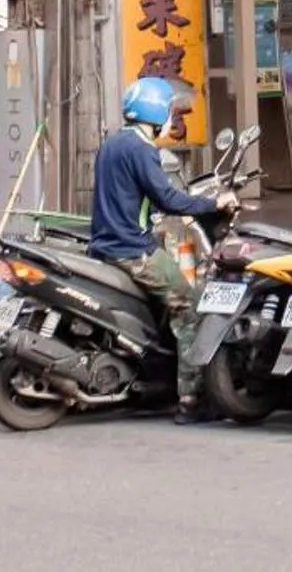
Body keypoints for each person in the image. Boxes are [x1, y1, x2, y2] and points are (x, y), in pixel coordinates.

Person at [90, 77, 234, 411]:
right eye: (170, 110)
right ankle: (189, 396)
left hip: (105, 244)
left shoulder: (111, 144)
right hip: (133, 251)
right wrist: (215, 204)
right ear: (155, 112)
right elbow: (168, 198)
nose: (172, 118)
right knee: (191, 305)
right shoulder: (143, 150)